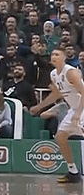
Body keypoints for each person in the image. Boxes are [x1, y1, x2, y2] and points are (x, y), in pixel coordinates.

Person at [30, 48, 84, 183]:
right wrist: (39, 107)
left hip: (81, 108)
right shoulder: (53, 74)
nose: (54, 56)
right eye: (52, 54)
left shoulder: (71, 72)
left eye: (57, 54)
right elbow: (56, 94)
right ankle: (73, 172)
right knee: (60, 137)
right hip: (74, 108)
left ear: (64, 57)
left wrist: (78, 113)